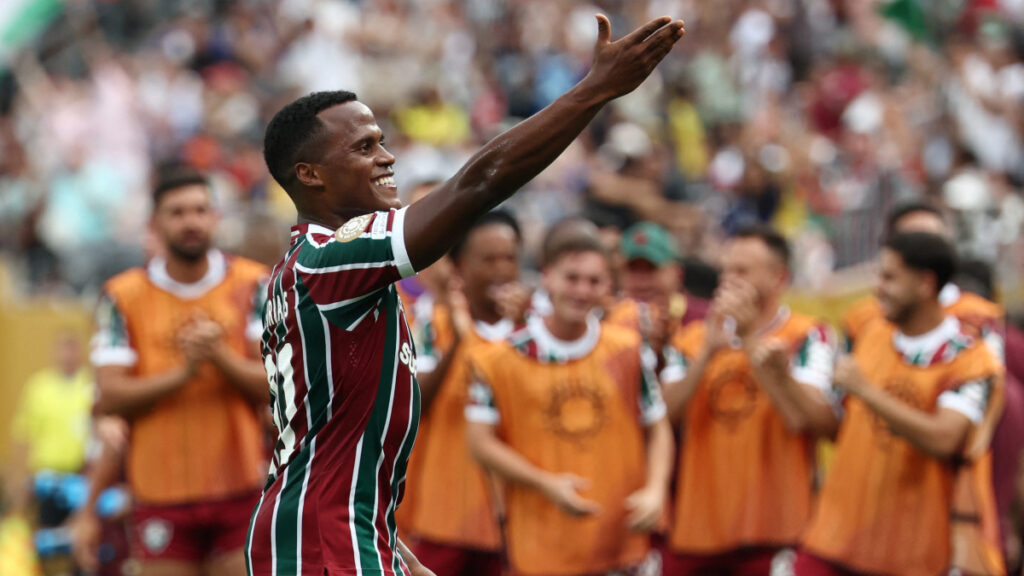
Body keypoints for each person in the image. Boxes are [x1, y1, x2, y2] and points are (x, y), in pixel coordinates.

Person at [244, 14, 686, 576]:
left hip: (338, 531)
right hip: (324, 543)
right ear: (310, 176)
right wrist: (596, 89)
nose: (387, 157)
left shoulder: (311, 265)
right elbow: (479, 183)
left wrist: (390, 550)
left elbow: (328, 449)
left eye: (382, 141)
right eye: (363, 147)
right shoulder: (331, 258)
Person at [90, 165, 270, 576]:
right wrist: (185, 372)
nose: (191, 221)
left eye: (200, 210)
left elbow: (275, 387)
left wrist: (219, 358)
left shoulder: (254, 284)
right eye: (177, 212)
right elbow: (111, 396)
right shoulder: (121, 296)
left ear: (215, 217)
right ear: (155, 223)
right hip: (159, 491)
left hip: (240, 485)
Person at [465, 229, 674, 576]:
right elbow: (479, 442)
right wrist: (544, 483)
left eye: (593, 280)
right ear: (547, 276)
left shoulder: (628, 349)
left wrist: (655, 490)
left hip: (620, 542)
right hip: (542, 545)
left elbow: (658, 424)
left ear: (608, 285)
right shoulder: (500, 358)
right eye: (572, 278)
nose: (581, 290)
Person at [796, 232, 1002, 576]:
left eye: (890, 277)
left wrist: (867, 392)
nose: (878, 288)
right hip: (832, 541)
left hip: (911, 554)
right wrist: (777, 377)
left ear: (925, 283)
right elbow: (839, 430)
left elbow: (944, 438)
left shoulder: (971, 359)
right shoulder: (871, 333)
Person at [660, 225, 838, 575]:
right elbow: (665, 416)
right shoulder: (692, 338)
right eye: (726, 269)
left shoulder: (807, 334)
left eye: (742, 271)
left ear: (778, 278)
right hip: (698, 532)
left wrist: (750, 340)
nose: (728, 279)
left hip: (777, 532)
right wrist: (706, 356)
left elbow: (810, 419)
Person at [402, 211, 523, 575]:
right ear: (459, 267)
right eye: (488, 259)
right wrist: (457, 341)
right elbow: (415, 404)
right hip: (445, 513)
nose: (501, 269)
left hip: (515, 514)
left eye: (510, 258)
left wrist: (517, 330)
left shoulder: (534, 330)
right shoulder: (430, 325)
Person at [7, 334, 94, 527]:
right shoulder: (39, 387)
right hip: (48, 479)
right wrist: (20, 478)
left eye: (73, 349)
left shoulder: (90, 385)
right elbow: (24, 433)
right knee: (47, 537)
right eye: (64, 350)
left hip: (83, 479)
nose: (68, 356)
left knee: (81, 540)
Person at [605, 222, 707, 368]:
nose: (642, 281)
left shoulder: (705, 319)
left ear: (677, 274)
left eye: (652, 269)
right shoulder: (606, 322)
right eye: (632, 270)